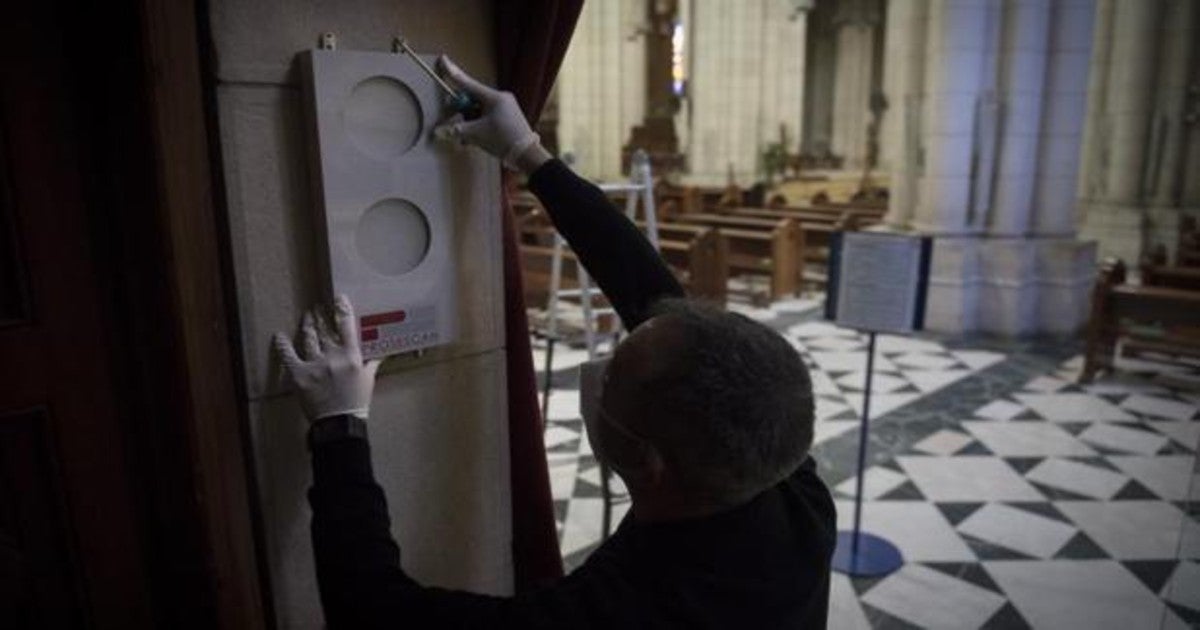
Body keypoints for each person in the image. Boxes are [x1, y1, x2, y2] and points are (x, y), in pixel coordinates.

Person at [273, 57, 835, 629]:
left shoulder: (619, 612)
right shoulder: (792, 492)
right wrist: (529, 155)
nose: (598, 375)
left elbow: (374, 612)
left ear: (647, 461)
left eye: (613, 377)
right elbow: (650, 291)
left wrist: (339, 424)